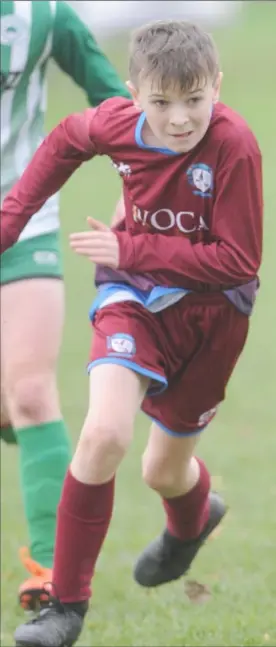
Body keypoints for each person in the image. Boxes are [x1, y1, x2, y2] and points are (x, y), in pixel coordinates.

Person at [0, 19, 262, 647]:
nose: (179, 118)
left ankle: (191, 521)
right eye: (162, 102)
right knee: (103, 435)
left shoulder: (236, 146)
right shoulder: (116, 124)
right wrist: (8, 224)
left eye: (195, 100)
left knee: (164, 472)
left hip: (212, 317)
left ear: (217, 88)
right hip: (132, 298)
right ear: (133, 92)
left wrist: (131, 244)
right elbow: (66, 139)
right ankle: (63, 608)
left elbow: (238, 262)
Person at [0, 0, 130, 612]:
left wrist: (139, 192)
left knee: (29, 391)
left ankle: (53, 571)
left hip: (24, 220)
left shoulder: (45, 13)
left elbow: (122, 105)